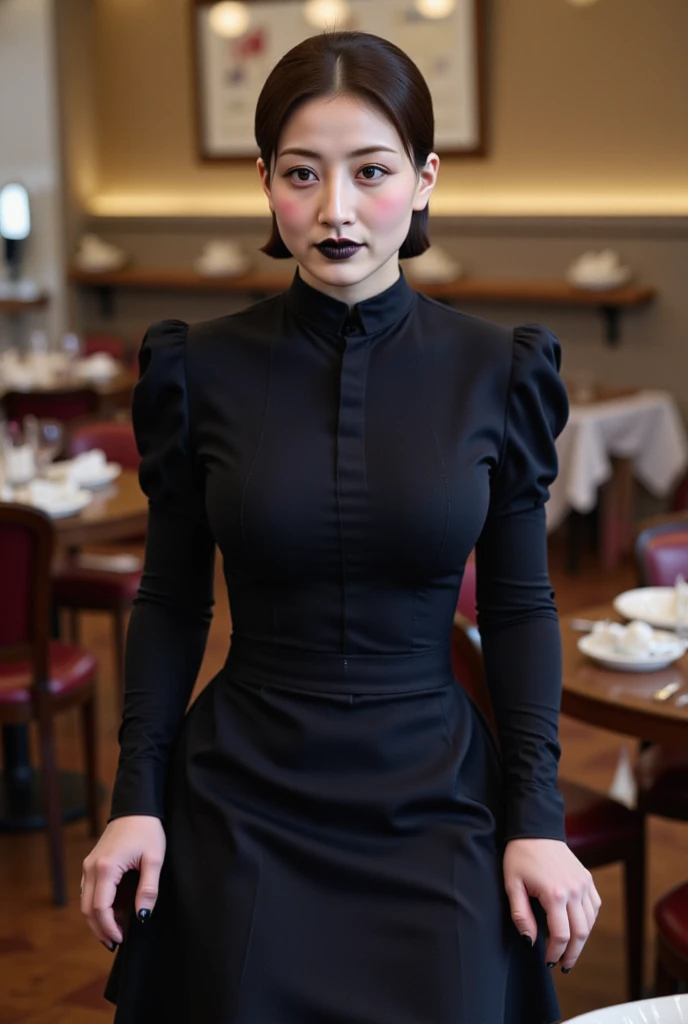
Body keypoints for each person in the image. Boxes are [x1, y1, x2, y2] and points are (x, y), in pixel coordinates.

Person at [81, 29, 600, 1024]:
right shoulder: (197, 366)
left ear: (423, 178)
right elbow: (172, 597)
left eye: (370, 171)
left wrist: (536, 816)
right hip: (242, 792)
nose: (335, 211)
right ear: (265, 183)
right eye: (300, 174)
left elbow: (521, 605)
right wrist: (135, 796)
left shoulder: (499, 369)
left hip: (436, 794)